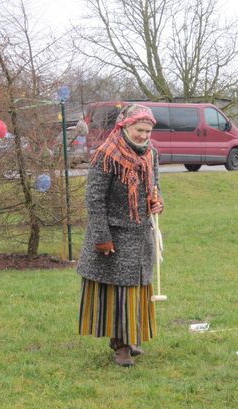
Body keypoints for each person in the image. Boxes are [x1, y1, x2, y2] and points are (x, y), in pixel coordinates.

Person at [76, 104, 164, 367]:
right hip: (114, 236)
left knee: (135, 291)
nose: (144, 136)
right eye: (139, 130)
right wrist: (101, 237)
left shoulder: (151, 154)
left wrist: (157, 201)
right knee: (119, 294)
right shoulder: (106, 155)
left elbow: (155, 186)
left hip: (140, 234)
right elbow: (94, 199)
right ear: (125, 126)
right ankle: (121, 346)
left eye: (148, 131)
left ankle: (130, 338)